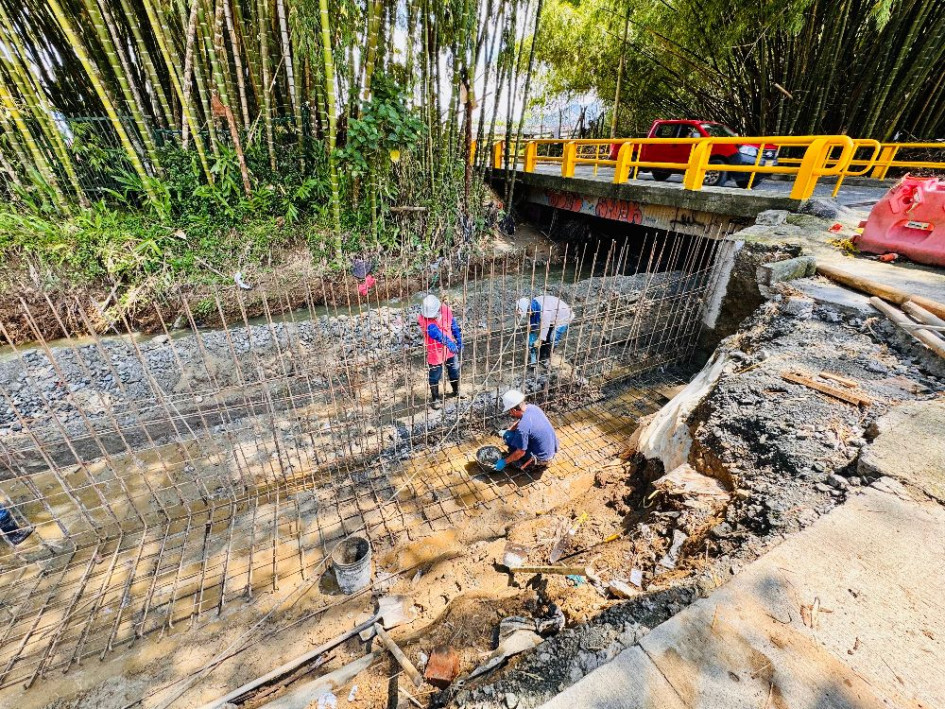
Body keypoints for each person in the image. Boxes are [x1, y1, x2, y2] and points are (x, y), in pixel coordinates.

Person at [418, 294, 463, 410]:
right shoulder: (423, 319)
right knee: (435, 376)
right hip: (435, 351)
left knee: (454, 370)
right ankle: (435, 399)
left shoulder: (445, 309)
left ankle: (456, 390)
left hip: (449, 350)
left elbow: (453, 324)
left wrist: (458, 338)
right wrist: (450, 343)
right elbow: (436, 334)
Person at [494, 390, 559, 471]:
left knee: (510, 438)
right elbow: (521, 420)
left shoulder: (523, 428)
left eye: (509, 411)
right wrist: (509, 430)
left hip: (541, 458)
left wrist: (504, 462)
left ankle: (528, 463)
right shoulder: (533, 408)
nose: (510, 413)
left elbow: (520, 452)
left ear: (513, 410)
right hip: (551, 450)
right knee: (509, 434)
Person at [516, 295, 574, 367]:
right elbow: (534, 321)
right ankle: (541, 355)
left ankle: (548, 357)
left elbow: (545, 327)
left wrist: (539, 340)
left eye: (528, 313)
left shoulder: (544, 312)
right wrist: (532, 330)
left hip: (564, 316)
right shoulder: (533, 305)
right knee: (547, 336)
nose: (528, 314)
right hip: (553, 314)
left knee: (553, 337)